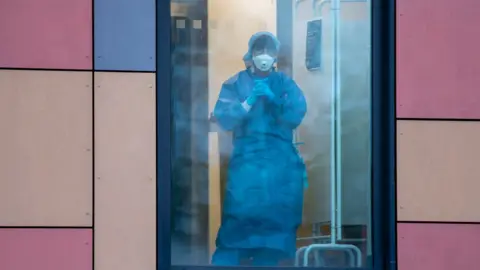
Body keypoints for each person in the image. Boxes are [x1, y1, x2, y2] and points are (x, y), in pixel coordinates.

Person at [211, 31, 308, 266]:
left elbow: (295, 114)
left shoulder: (284, 84)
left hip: (279, 165)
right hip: (246, 164)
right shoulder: (235, 84)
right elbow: (223, 118)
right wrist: (248, 102)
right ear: (250, 54)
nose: (264, 56)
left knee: (274, 229)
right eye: (259, 51)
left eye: (269, 51)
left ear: (275, 56)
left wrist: (274, 99)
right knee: (238, 221)